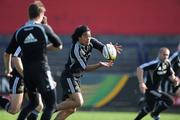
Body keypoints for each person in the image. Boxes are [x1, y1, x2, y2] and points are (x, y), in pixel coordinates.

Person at [4, 1, 63, 120]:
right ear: (41, 14)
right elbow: (59, 45)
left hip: (27, 75)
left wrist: (8, 68)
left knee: (34, 104)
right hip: (41, 71)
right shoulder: (43, 28)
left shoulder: (19, 31)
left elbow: (7, 53)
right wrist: (43, 45)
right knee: (51, 105)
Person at [54, 25, 122, 120]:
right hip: (69, 76)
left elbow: (103, 49)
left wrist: (111, 49)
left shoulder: (91, 41)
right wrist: (99, 65)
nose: (88, 38)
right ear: (79, 37)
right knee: (79, 102)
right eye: (85, 36)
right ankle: (52, 108)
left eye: (89, 36)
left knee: (70, 109)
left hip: (76, 78)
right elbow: (84, 68)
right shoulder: (76, 49)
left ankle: (52, 109)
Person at [134, 47, 179, 120]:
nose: (166, 57)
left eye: (167, 55)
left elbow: (170, 75)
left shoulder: (167, 63)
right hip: (150, 90)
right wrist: (141, 82)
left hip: (156, 89)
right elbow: (140, 68)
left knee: (149, 108)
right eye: (164, 55)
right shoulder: (154, 63)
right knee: (170, 100)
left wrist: (175, 80)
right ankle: (155, 114)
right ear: (159, 54)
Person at [1, 47, 43, 120]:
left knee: (39, 106)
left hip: (31, 79)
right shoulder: (22, 40)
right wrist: (8, 68)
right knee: (13, 110)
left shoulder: (40, 42)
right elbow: (11, 56)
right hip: (19, 78)